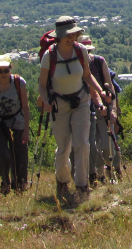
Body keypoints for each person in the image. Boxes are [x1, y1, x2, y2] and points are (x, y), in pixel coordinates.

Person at [38, 16, 108, 202]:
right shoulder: (49, 56)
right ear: (58, 36)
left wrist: (100, 91)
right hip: (59, 105)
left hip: (81, 102)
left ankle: (82, 185)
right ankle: (62, 182)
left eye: (74, 34)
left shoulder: (80, 51)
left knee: (82, 144)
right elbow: (42, 84)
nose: (71, 37)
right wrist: (46, 101)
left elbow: (87, 76)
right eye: (67, 35)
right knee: (63, 147)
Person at [0, 57, 30, 195]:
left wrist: (26, 129)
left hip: (17, 119)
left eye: (6, 70)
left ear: (10, 68)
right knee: (2, 153)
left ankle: (20, 184)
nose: (3, 73)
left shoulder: (18, 82)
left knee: (20, 153)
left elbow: (25, 106)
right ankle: (5, 183)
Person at [82, 38, 117, 185]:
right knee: (89, 145)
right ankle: (98, 175)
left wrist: (113, 109)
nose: (88, 54)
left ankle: (110, 170)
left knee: (105, 144)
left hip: (102, 108)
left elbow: (110, 87)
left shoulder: (99, 62)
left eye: (89, 51)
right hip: (86, 108)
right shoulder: (74, 66)